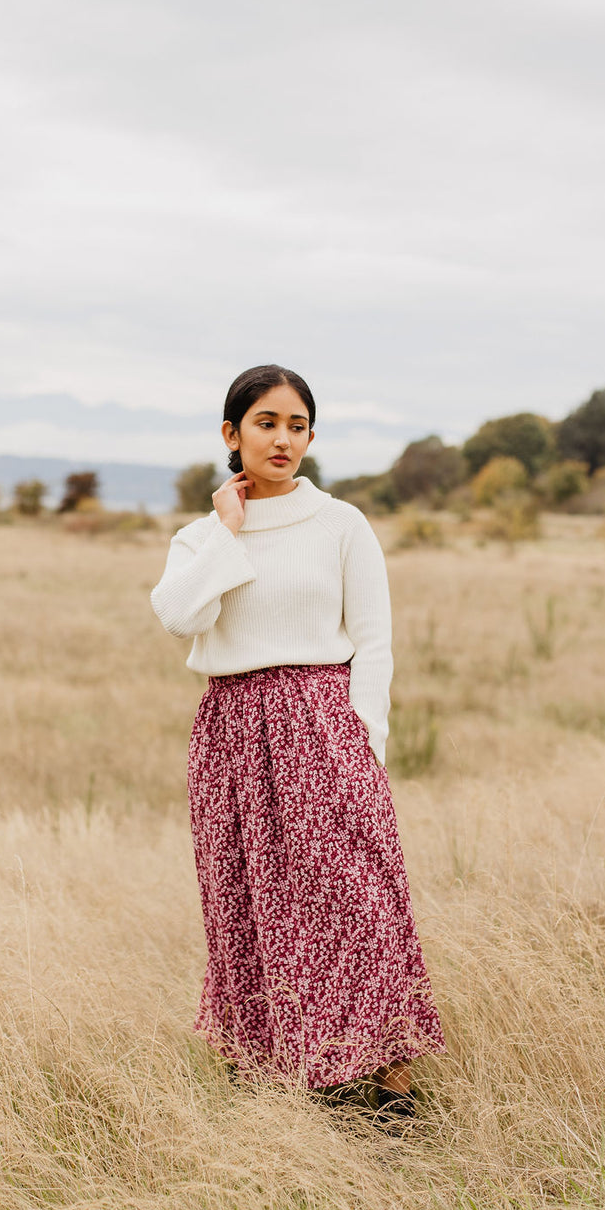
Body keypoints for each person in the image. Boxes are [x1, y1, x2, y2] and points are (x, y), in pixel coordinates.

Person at [151, 364, 445, 1115]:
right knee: (248, 903)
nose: (283, 438)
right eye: (266, 422)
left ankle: (389, 1086)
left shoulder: (341, 523)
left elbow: (374, 643)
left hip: (323, 723)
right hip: (232, 733)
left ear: (311, 436)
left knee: (359, 899)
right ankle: (272, 1080)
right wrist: (227, 530)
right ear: (231, 434)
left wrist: (363, 746)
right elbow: (180, 616)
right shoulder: (200, 538)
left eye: (297, 425)